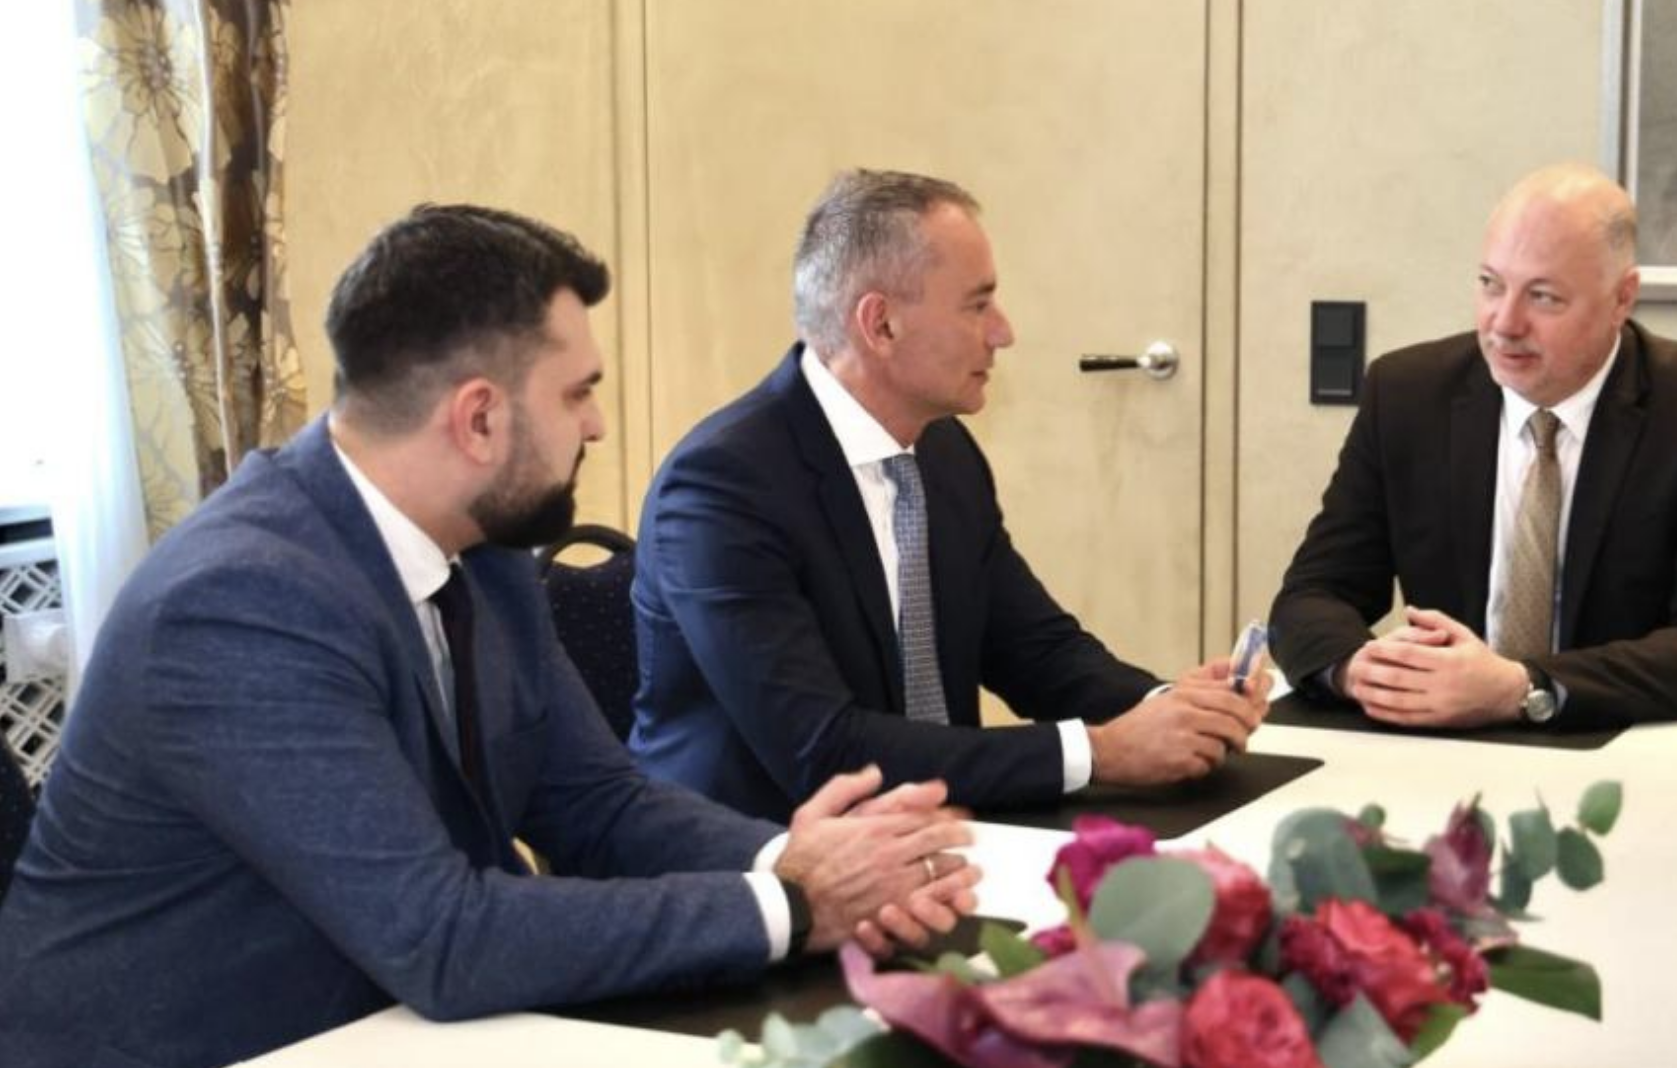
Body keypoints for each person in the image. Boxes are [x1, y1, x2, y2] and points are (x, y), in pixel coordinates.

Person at [0, 205, 977, 1068]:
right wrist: (794, 905)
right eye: (577, 392)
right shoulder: (239, 604)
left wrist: (796, 859)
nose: (597, 424)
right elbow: (443, 937)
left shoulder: (486, 551)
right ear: (477, 419)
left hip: (399, 1029)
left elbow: (597, 805)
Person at [630, 169, 1269, 821]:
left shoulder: (942, 450)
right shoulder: (721, 486)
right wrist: (1099, 752)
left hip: (935, 832)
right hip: (756, 853)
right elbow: (823, 748)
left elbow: (1035, 651)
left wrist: (1173, 711)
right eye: (977, 305)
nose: (1003, 332)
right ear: (881, 324)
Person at [1271, 163, 1677, 730]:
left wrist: (1523, 688)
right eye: (1490, 284)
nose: (1504, 324)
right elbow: (1311, 596)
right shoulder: (1407, 394)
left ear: (1622, 299)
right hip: (1440, 746)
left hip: (1620, 743)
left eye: (1543, 297)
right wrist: (1360, 670)